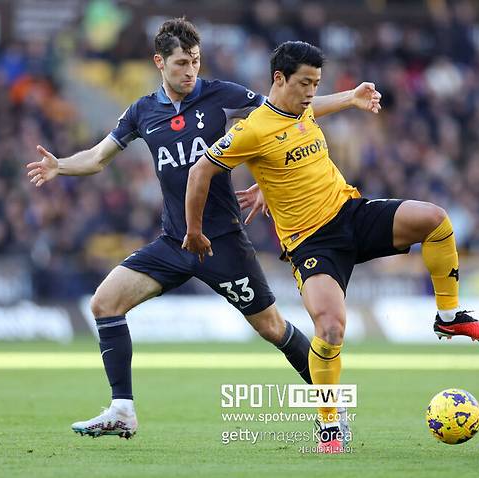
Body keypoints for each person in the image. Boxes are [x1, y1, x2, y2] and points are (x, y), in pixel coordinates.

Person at [26, 20, 382, 440]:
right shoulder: (143, 112)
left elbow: (291, 109)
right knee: (104, 303)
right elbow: (99, 157)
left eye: (195, 61)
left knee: (272, 328)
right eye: (181, 63)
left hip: (222, 241)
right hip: (175, 240)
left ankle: (331, 410)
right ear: (159, 62)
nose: (190, 70)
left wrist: (349, 99)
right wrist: (59, 166)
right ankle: (122, 410)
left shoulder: (222, 96)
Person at [183, 40, 479, 453]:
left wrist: (350, 98)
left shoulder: (302, 109)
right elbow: (199, 172)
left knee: (435, 219)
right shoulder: (252, 129)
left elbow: (313, 113)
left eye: (317, 83)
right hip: (312, 243)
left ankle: (449, 315)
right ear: (279, 80)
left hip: (350, 212)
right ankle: (330, 425)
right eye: (305, 83)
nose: (312, 92)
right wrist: (194, 230)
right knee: (331, 328)